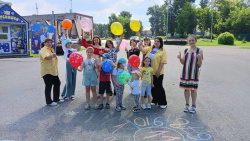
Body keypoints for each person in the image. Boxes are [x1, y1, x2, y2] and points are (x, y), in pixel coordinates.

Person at [138, 37, 167, 109]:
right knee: (152, 87)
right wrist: (139, 45)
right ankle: (155, 100)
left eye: (158, 41)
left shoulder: (163, 51)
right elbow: (143, 50)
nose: (156, 42)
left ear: (161, 43)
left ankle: (163, 102)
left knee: (159, 86)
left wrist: (158, 71)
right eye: (155, 41)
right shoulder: (150, 48)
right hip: (149, 72)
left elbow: (162, 62)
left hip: (158, 72)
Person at [177, 34, 203, 113]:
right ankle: (187, 104)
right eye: (189, 40)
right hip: (185, 72)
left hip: (194, 73)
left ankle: (193, 105)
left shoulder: (199, 50)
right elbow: (183, 62)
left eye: (193, 40)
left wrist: (199, 58)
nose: (191, 42)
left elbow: (199, 64)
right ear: (188, 41)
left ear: (195, 41)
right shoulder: (186, 50)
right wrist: (179, 58)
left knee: (193, 89)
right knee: (186, 89)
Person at [39, 38, 64, 106]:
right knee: (48, 86)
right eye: (48, 42)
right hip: (47, 71)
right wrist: (52, 55)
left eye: (51, 42)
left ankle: (56, 99)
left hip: (53, 71)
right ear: (44, 43)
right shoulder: (43, 50)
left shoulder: (51, 49)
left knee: (57, 83)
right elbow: (47, 57)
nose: (49, 43)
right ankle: (49, 101)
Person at [61, 29, 79, 100]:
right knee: (69, 80)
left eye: (70, 43)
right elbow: (62, 41)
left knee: (73, 79)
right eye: (68, 43)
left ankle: (71, 94)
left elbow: (77, 56)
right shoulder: (65, 49)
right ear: (66, 44)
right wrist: (64, 33)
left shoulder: (73, 50)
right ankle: (65, 94)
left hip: (74, 65)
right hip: (68, 64)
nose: (69, 44)